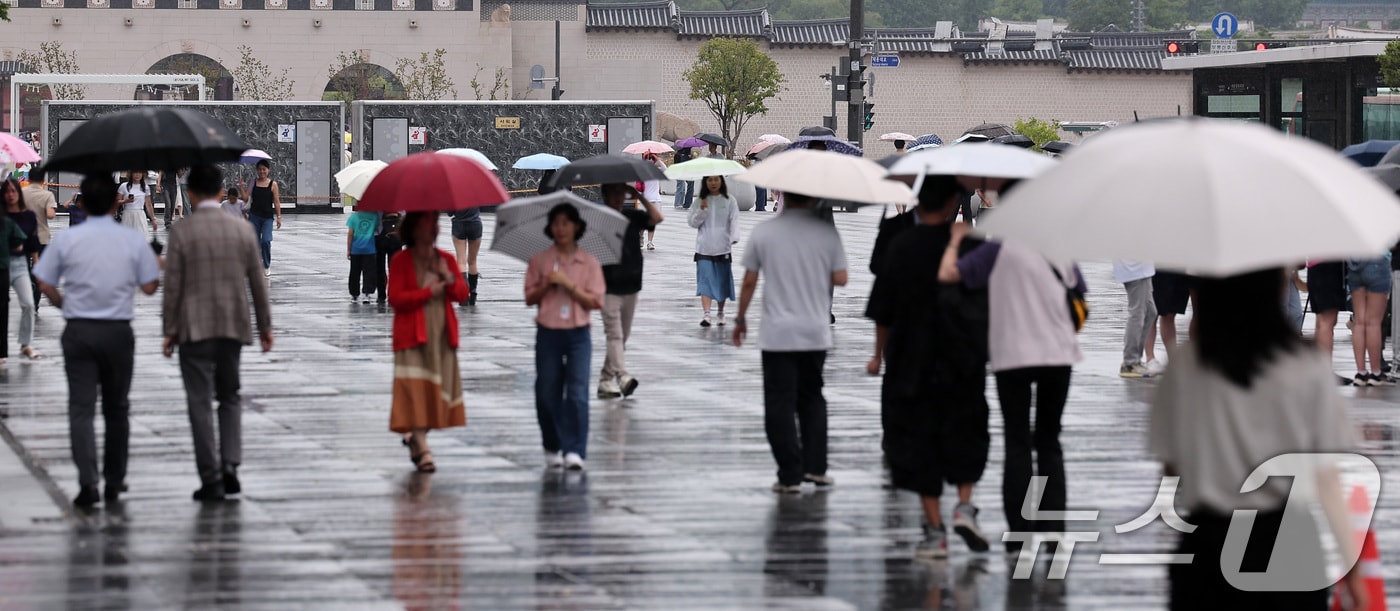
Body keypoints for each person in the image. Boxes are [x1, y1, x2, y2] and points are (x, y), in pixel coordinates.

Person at [1150, 269, 1365, 610]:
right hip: (1289, 543)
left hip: (1208, 544)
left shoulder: (1185, 367)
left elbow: (1172, 469)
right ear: (1275, 288)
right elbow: (1327, 478)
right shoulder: (1305, 365)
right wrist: (1352, 573)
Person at [939, 179, 1085, 558]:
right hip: (1058, 354)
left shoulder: (996, 249)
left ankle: (1019, 531)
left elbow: (950, 275)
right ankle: (1053, 528)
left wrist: (955, 240)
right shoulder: (1059, 248)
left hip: (1012, 355)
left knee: (1018, 441)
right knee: (1049, 440)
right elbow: (1079, 294)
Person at [865, 175, 992, 558]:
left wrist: (877, 354)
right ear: (954, 202)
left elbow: (883, 307)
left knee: (920, 439)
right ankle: (965, 506)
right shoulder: (969, 244)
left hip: (912, 356)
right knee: (967, 429)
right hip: (962, 355)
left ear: (918, 202)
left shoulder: (901, 245)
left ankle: (934, 531)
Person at [33, 175, 161, 507]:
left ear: (83, 203)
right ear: (115, 202)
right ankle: (115, 480)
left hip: (79, 331)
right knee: (117, 409)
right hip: (118, 332)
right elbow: (149, 287)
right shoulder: (130, 241)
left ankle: (88, 483)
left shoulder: (67, 240)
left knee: (81, 409)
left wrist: (63, 303)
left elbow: (44, 281)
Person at [161, 165, 274, 502]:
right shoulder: (241, 230)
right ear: (222, 193)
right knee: (230, 396)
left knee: (198, 402)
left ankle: (210, 477)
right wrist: (265, 327)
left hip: (193, 327)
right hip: (231, 325)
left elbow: (173, 286)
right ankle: (231, 467)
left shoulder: (183, 232)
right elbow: (257, 281)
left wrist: (169, 330)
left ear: (191, 194)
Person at [732, 191, 847, 494]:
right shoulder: (826, 234)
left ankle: (790, 473)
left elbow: (749, 281)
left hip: (778, 333)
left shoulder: (765, 231)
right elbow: (842, 277)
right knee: (812, 398)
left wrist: (740, 319)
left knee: (780, 402)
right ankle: (816, 468)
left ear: (784, 197)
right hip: (815, 331)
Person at [525, 203, 606, 471]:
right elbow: (529, 297)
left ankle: (574, 449)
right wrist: (547, 283)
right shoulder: (540, 260)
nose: (561, 229)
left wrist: (569, 285)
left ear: (576, 227)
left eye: (566, 223)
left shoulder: (589, 263)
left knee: (577, 393)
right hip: (548, 332)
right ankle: (552, 443)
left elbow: (595, 302)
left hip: (578, 334)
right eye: (556, 223)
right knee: (547, 392)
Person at [388, 212, 470, 473]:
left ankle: (416, 437)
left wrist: (448, 278)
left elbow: (461, 294)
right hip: (412, 333)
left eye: (433, 226)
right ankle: (422, 446)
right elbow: (396, 298)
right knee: (414, 389)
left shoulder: (444, 258)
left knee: (434, 392)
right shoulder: (402, 261)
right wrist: (428, 292)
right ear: (413, 230)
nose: (430, 231)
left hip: (441, 333)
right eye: (424, 226)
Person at [596, 183, 664, 399]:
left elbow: (657, 218)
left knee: (622, 336)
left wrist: (641, 197)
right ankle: (622, 376)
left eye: (620, 192)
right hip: (608, 287)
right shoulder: (599, 220)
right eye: (612, 193)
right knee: (614, 334)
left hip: (632, 283)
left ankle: (605, 380)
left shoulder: (633, 215)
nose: (617, 197)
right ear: (605, 195)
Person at [689, 175, 740, 327]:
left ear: (721, 181)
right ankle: (706, 314)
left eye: (716, 179)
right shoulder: (699, 201)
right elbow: (692, 222)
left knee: (722, 282)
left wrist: (733, 237)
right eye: (709, 180)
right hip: (704, 248)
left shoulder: (729, 200)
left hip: (723, 248)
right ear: (705, 182)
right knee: (705, 281)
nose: (713, 183)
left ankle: (720, 311)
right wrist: (702, 210)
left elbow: (734, 220)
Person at [2, 179, 41, 360]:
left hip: (19, 264)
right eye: (7, 191)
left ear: (19, 193)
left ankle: (25, 343)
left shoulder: (29, 216)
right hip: (2, 263)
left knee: (28, 304)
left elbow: (33, 241)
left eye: (13, 191)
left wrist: (36, 262)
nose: (10, 195)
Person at [1347, 253, 1394, 386]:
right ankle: (1376, 373)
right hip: (1377, 262)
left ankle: (1361, 373)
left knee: (1359, 322)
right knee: (1373, 323)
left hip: (1355, 265)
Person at [1306, 260, 1351, 385]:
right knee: (1327, 322)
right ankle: (1325, 371)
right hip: (1328, 268)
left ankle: (1319, 369)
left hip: (1314, 267)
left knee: (1321, 321)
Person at [1114, 260, 1158, 377]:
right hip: (1134, 268)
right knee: (1137, 314)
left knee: (1150, 312)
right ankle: (1130, 362)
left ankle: (1136, 360)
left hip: (1143, 268)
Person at [20, 180, 56, 314]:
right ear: (42, 181)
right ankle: (34, 304)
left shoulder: (22, 193)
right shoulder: (47, 195)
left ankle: (26, 295)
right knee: (39, 270)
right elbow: (50, 215)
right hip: (42, 238)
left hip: (23, 236)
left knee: (24, 269)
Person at [241, 160, 282, 277]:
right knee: (254, 242)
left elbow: (277, 201)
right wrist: (241, 187)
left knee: (266, 241)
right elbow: (245, 198)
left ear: (268, 170)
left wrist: (279, 217)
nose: (262, 171)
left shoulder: (273, 184)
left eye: (264, 169)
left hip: (267, 218)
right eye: (259, 169)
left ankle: (266, 265)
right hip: (254, 216)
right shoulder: (253, 182)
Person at [1153, 270, 1193, 361]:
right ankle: (1150, 358)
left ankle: (1176, 358)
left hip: (1185, 269)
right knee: (1156, 313)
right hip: (1163, 269)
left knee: (1171, 313)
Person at [346, 205, 381, 305]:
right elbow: (376, 230)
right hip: (369, 249)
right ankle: (366, 293)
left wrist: (348, 249)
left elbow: (350, 234)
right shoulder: (374, 217)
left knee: (354, 272)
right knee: (369, 272)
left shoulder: (353, 217)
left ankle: (354, 294)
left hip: (356, 249)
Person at [449, 207, 483, 306]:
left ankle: (463, 295)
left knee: (461, 261)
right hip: (475, 224)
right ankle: (473, 293)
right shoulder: (475, 192)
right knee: (472, 261)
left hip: (459, 224)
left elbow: (450, 212)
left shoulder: (454, 193)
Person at [636, 152, 666, 250]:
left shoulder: (657, 171)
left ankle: (650, 242)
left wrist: (657, 159)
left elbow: (665, 168)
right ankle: (641, 236)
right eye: (648, 159)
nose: (650, 160)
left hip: (656, 199)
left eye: (651, 159)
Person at [117, 170, 159, 238]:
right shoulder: (124, 186)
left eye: (140, 173)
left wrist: (153, 219)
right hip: (128, 214)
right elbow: (117, 201)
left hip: (140, 214)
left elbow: (148, 204)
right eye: (135, 172)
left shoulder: (145, 187)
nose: (137, 175)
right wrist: (125, 201)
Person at [375, 212, 403, 305]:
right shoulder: (400, 206)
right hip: (396, 240)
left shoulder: (377, 208)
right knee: (395, 270)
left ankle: (381, 295)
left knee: (380, 269)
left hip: (379, 239)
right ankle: (393, 294)